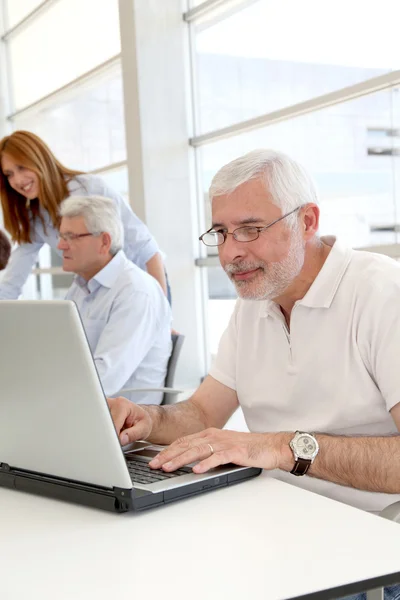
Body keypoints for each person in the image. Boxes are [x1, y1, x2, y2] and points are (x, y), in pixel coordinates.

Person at [108, 149, 400, 503]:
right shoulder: (256, 302)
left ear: (307, 221)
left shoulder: (383, 293)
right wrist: (149, 420)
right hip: (272, 512)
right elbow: (202, 412)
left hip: (372, 530)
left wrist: (281, 447)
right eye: (221, 232)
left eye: (250, 229)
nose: (230, 252)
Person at [0, 130, 169, 300]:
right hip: (100, 294)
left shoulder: (89, 188)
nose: (18, 180)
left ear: (39, 159)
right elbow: (12, 281)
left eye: (22, 167)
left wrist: (161, 311)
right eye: (9, 174)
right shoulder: (36, 220)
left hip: (143, 285)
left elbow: (145, 245)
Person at [59, 194, 172, 405]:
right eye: (61, 236)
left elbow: (105, 378)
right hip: (84, 405)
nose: (60, 245)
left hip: (120, 420)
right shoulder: (79, 287)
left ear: (104, 241)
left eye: (71, 237)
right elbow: (61, 352)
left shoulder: (136, 291)